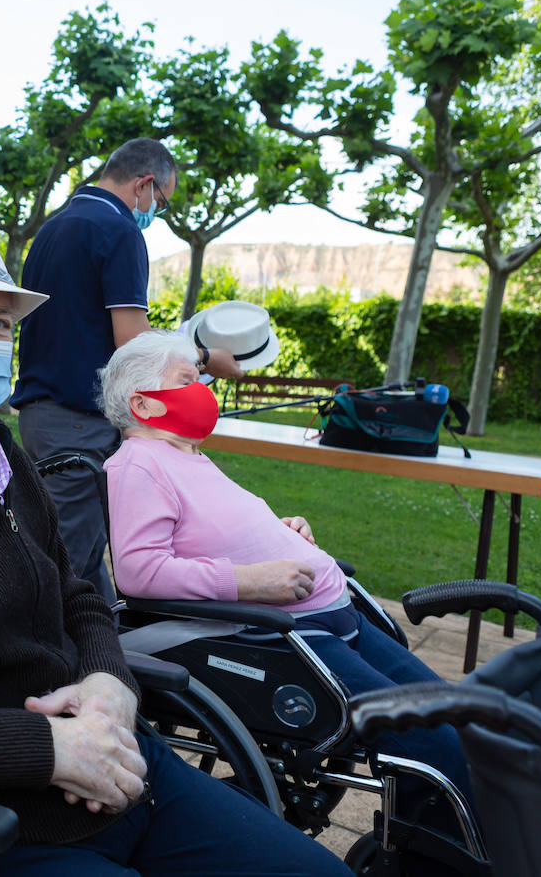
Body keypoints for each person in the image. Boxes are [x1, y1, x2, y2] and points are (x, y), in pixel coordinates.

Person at [0, 207, 350, 876]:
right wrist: (44, 749)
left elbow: (77, 591)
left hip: (117, 764)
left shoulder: (1, 455)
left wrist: (109, 683)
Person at [99, 329, 473, 839]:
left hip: (326, 617)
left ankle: (440, 835)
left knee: (450, 713)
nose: (202, 389)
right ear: (143, 402)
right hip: (283, 634)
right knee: (432, 742)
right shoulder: (137, 463)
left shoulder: (186, 456)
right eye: (187, 379)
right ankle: (437, 856)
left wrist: (283, 534)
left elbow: (213, 529)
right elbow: (139, 571)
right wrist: (251, 578)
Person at [11, 138, 243, 605]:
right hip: (79, 420)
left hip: (40, 416)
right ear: (144, 184)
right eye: (161, 200)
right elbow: (133, 344)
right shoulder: (118, 231)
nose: (156, 211)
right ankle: (43, 668)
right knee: (66, 566)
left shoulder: (53, 229)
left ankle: (111, 650)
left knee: (85, 553)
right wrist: (200, 358)